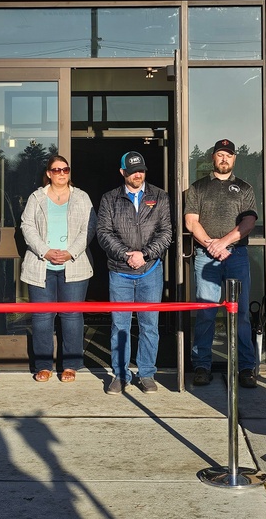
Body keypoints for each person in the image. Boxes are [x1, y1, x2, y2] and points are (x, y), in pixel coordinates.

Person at [184, 139, 258, 389]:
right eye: (219, 155)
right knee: (206, 312)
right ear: (212, 158)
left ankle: (246, 367)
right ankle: (202, 365)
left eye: (228, 155)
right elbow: (191, 222)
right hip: (206, 256)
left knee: (242, 313)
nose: (224, 159)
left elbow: (248, 224)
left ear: (234, 159)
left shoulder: (245, 188)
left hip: (236, 256)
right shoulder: (198, 188)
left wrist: (223, 243)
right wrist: (210, 245)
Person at [97, 151, 172, 394]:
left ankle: (147, 373)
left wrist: (146, 254)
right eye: (132, 171)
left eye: (141, 170)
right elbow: (104, 234)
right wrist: (126, 254)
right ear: (122, 173)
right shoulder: (109, 199)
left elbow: (166, 233)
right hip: (120, 272)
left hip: (150, 270)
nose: (137, 175)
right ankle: (120, 375)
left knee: (149, 324)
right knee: (120, 325)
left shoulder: (160, 196)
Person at [20, 155, 96, 383]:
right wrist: (44, 251)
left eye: (65, 169)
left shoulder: (82, 197)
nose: (61, 173)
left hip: (74, 265)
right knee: (42, 318)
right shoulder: (37, 197)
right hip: (41, 265)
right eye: (56, 170)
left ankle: (71, 365)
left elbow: (89, 227)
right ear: (49, 173)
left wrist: (71, 252)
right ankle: (43, 365)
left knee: (72, 317)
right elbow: (27, 225)